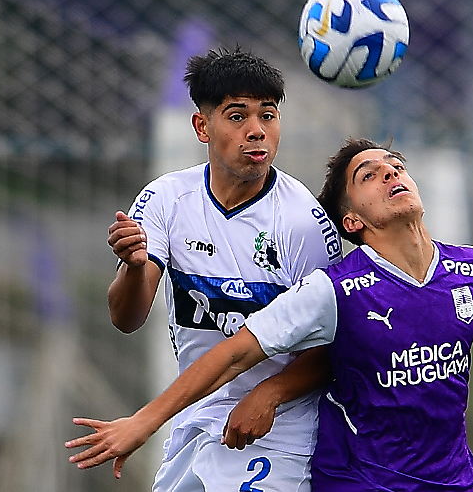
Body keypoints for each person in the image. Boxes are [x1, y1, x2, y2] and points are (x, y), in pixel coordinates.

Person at [67, 138, 473, 491]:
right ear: (351, 221)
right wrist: (145, 422)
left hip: (450, 479)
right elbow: (236, 351)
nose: (391, 174)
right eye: (369, 175)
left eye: (395, 166)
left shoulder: (468, 270)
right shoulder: (337, 290)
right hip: (360, 481)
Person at [96, 46, 343, 491]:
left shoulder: (304, 220)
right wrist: (133, 269)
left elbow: (334, 347)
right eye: (237, 116)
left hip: (278, 425)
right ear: (201, 126)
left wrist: (269, 393)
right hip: (197, 415)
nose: (256, 131)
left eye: (268, 116)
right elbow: (126, 319)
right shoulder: (165, 199)